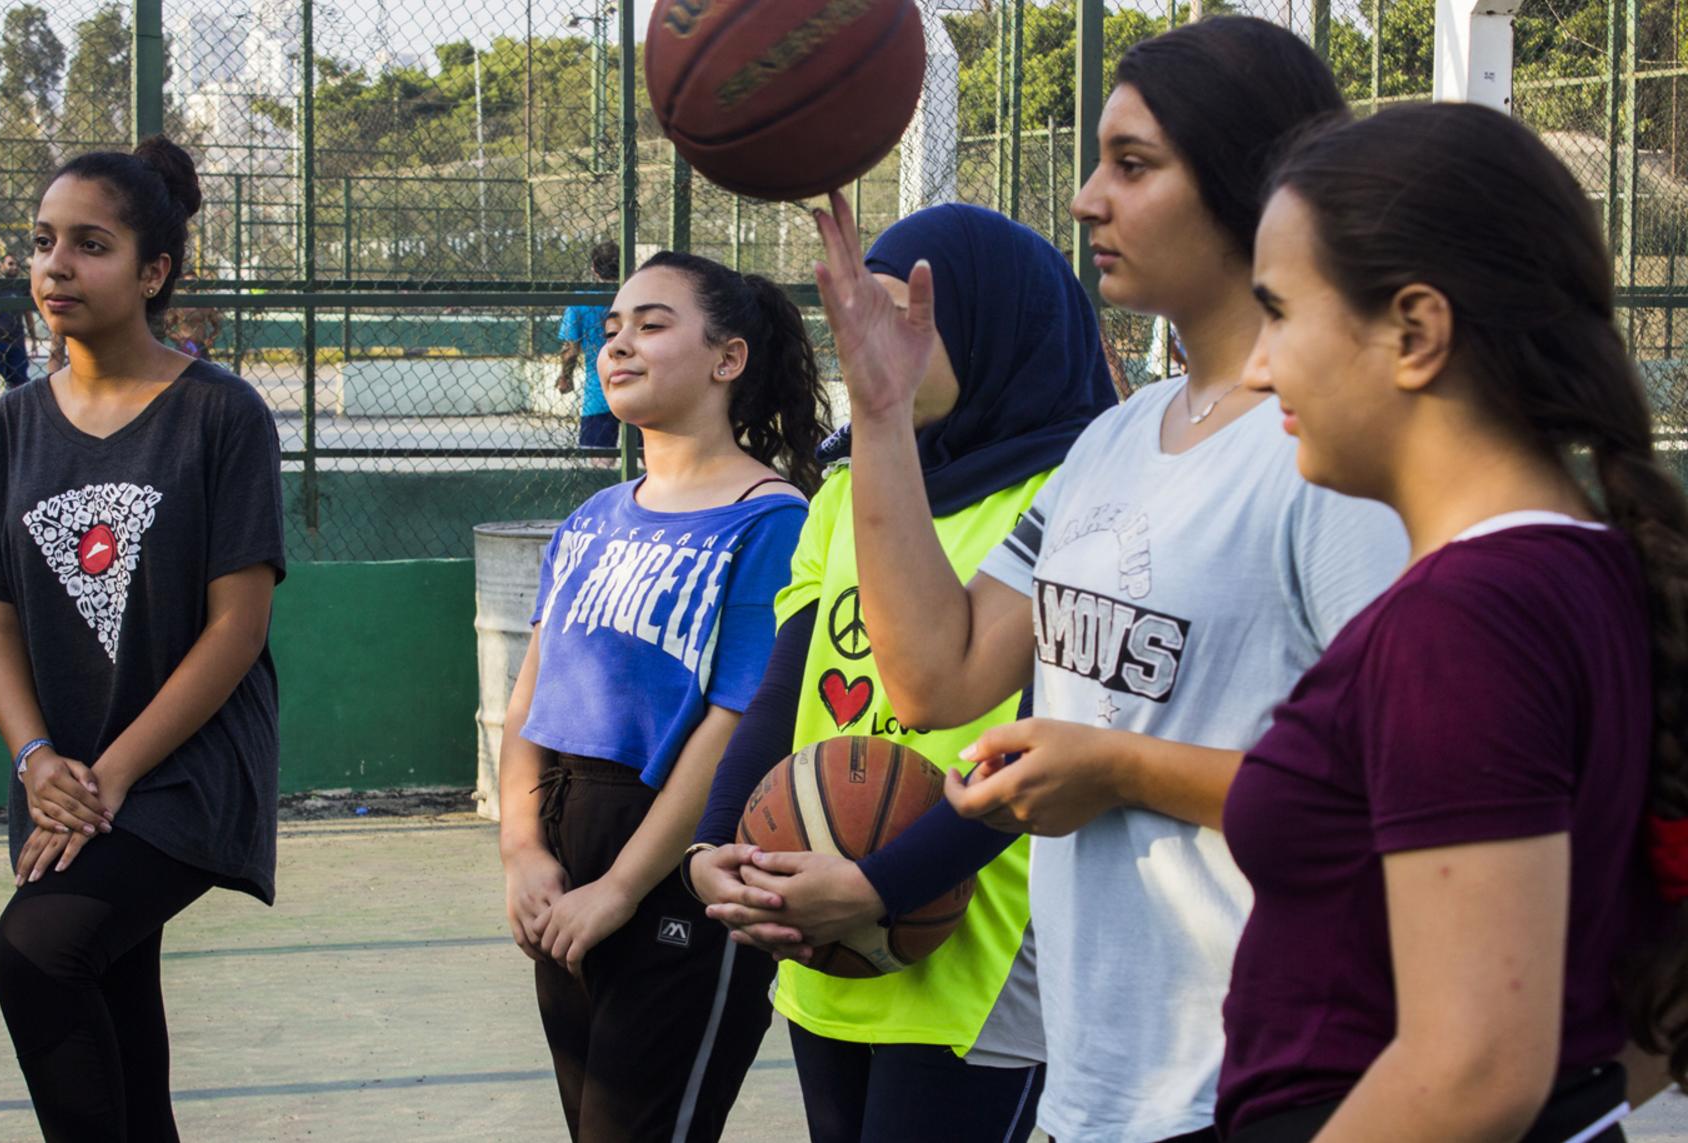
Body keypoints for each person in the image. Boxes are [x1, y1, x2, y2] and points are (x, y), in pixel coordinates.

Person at [757, 18, 1409, 1143]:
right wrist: (877, 412)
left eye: (1133, 164)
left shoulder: (1335, 453)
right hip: (1103, 1070)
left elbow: (1403, 789)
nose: (1084, 199)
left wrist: (1118, 766)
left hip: (1281, 1076)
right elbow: (933, 676)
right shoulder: (1116, 440)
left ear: (1254, 181)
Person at [1214, 102, 1688, 1143]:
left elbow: (1470, 1069)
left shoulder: (1463, 623)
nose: (1255, 367)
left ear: (1415, 332)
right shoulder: (1599, 574)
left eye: (1279, 313)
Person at [685, 204, 1117, 1143]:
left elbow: (1051, 737)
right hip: (823, 925)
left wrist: (883, 883)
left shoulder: (1074, 496)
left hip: (984, 945)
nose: (870, 345)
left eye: (901, 317)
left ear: (991, 326)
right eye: (858, 319)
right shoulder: (845, 491)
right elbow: (784, 688)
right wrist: (715, 844)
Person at [0, 135, 285, 1142]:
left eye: (90, 245)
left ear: (154, 272)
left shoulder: (220, 415)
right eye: (43, 241)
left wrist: (109, 774)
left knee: (40, 954)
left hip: (183, 771)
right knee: (113, 1009)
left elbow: (237, 627)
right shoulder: (11, 426)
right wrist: (35, 758)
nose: (55, 265)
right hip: (60, 777)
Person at [499, 249, 830, 1141]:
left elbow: (732, 724)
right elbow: (530, 696)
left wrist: (620, 887)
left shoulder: (772, 519)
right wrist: (523, 850)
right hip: (567, 849)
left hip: (681, 861)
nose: (620, 345)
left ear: (728, 359)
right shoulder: (591, 519)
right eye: (612, 329)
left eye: (652, 324)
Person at [558, 241, 621, 451]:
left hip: (599, 394)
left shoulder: (580, 301)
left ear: (594, 268)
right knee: (650, 461)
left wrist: (566, 376)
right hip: (641, 394)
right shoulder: (634, 297)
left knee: (597, 461)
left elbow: (571, 351)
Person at [0, 252, 40, 395]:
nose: (14, 267)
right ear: (1, 266)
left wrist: (33, 339)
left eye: (17, 265)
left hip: (17, 342)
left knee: (20, 385)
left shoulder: (21, 288)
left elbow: (28, 315)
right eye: (10, 264)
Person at [164, 268, 220, 360]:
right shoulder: (178, 306)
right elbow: (167, 328)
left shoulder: (205, 305)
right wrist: (179, 339)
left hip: (201, 346)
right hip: (184, 345)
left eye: (194, 282)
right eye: (188, 283)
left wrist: (210, 338)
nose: (191, 286)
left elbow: (217, 326)